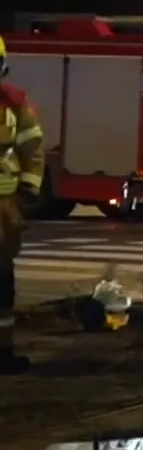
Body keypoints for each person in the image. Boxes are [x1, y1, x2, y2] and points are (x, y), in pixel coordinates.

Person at [0, 36, 46, 374]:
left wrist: (27, 191)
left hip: (3, 209)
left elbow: (33, 149)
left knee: (2, 282)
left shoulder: (14, 103)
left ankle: (2, 351)